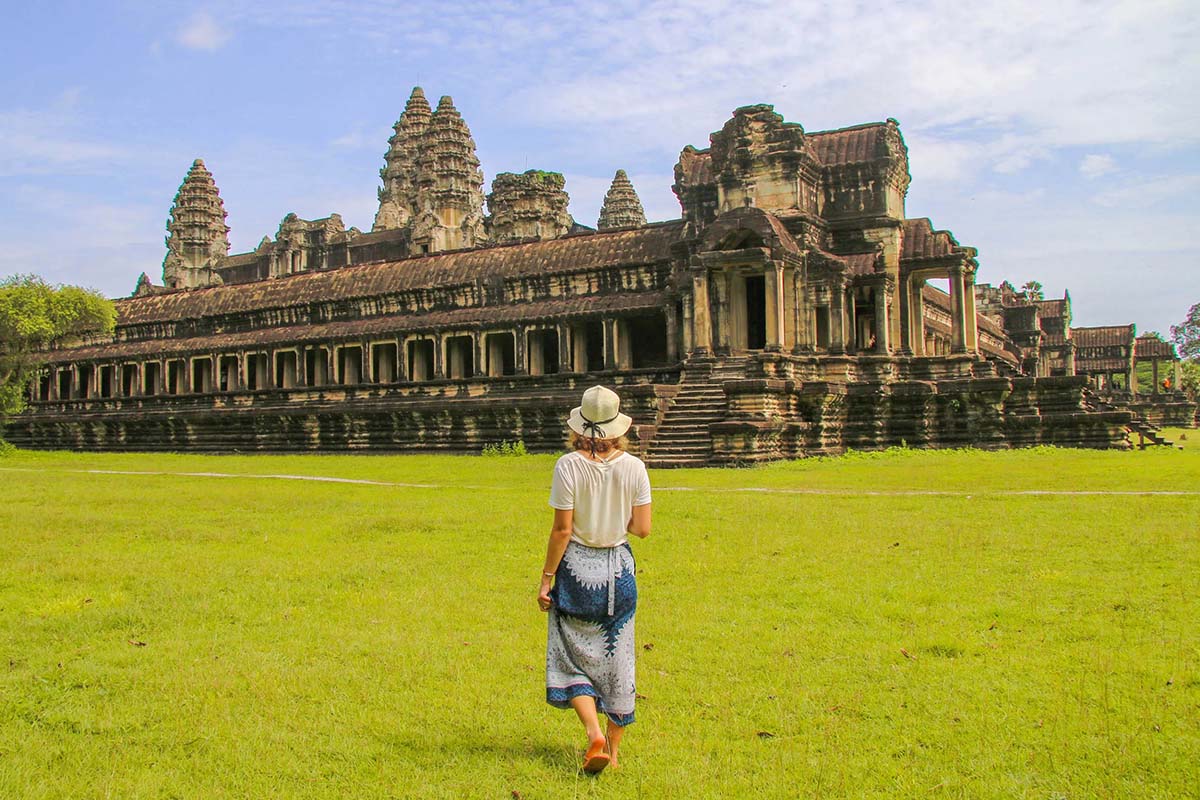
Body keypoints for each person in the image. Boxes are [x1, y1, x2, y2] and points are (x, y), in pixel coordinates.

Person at [538, 385, 652, 774]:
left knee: (569, 655)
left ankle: (593, 734)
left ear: (579, 427)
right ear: (618, 427)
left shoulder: (568, 466)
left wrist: (546, 578)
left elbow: (561, 531)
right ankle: (614, 753)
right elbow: (643, 528)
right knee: (619, 659)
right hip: (619, 571)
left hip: (577, 571)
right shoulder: (635, 467)